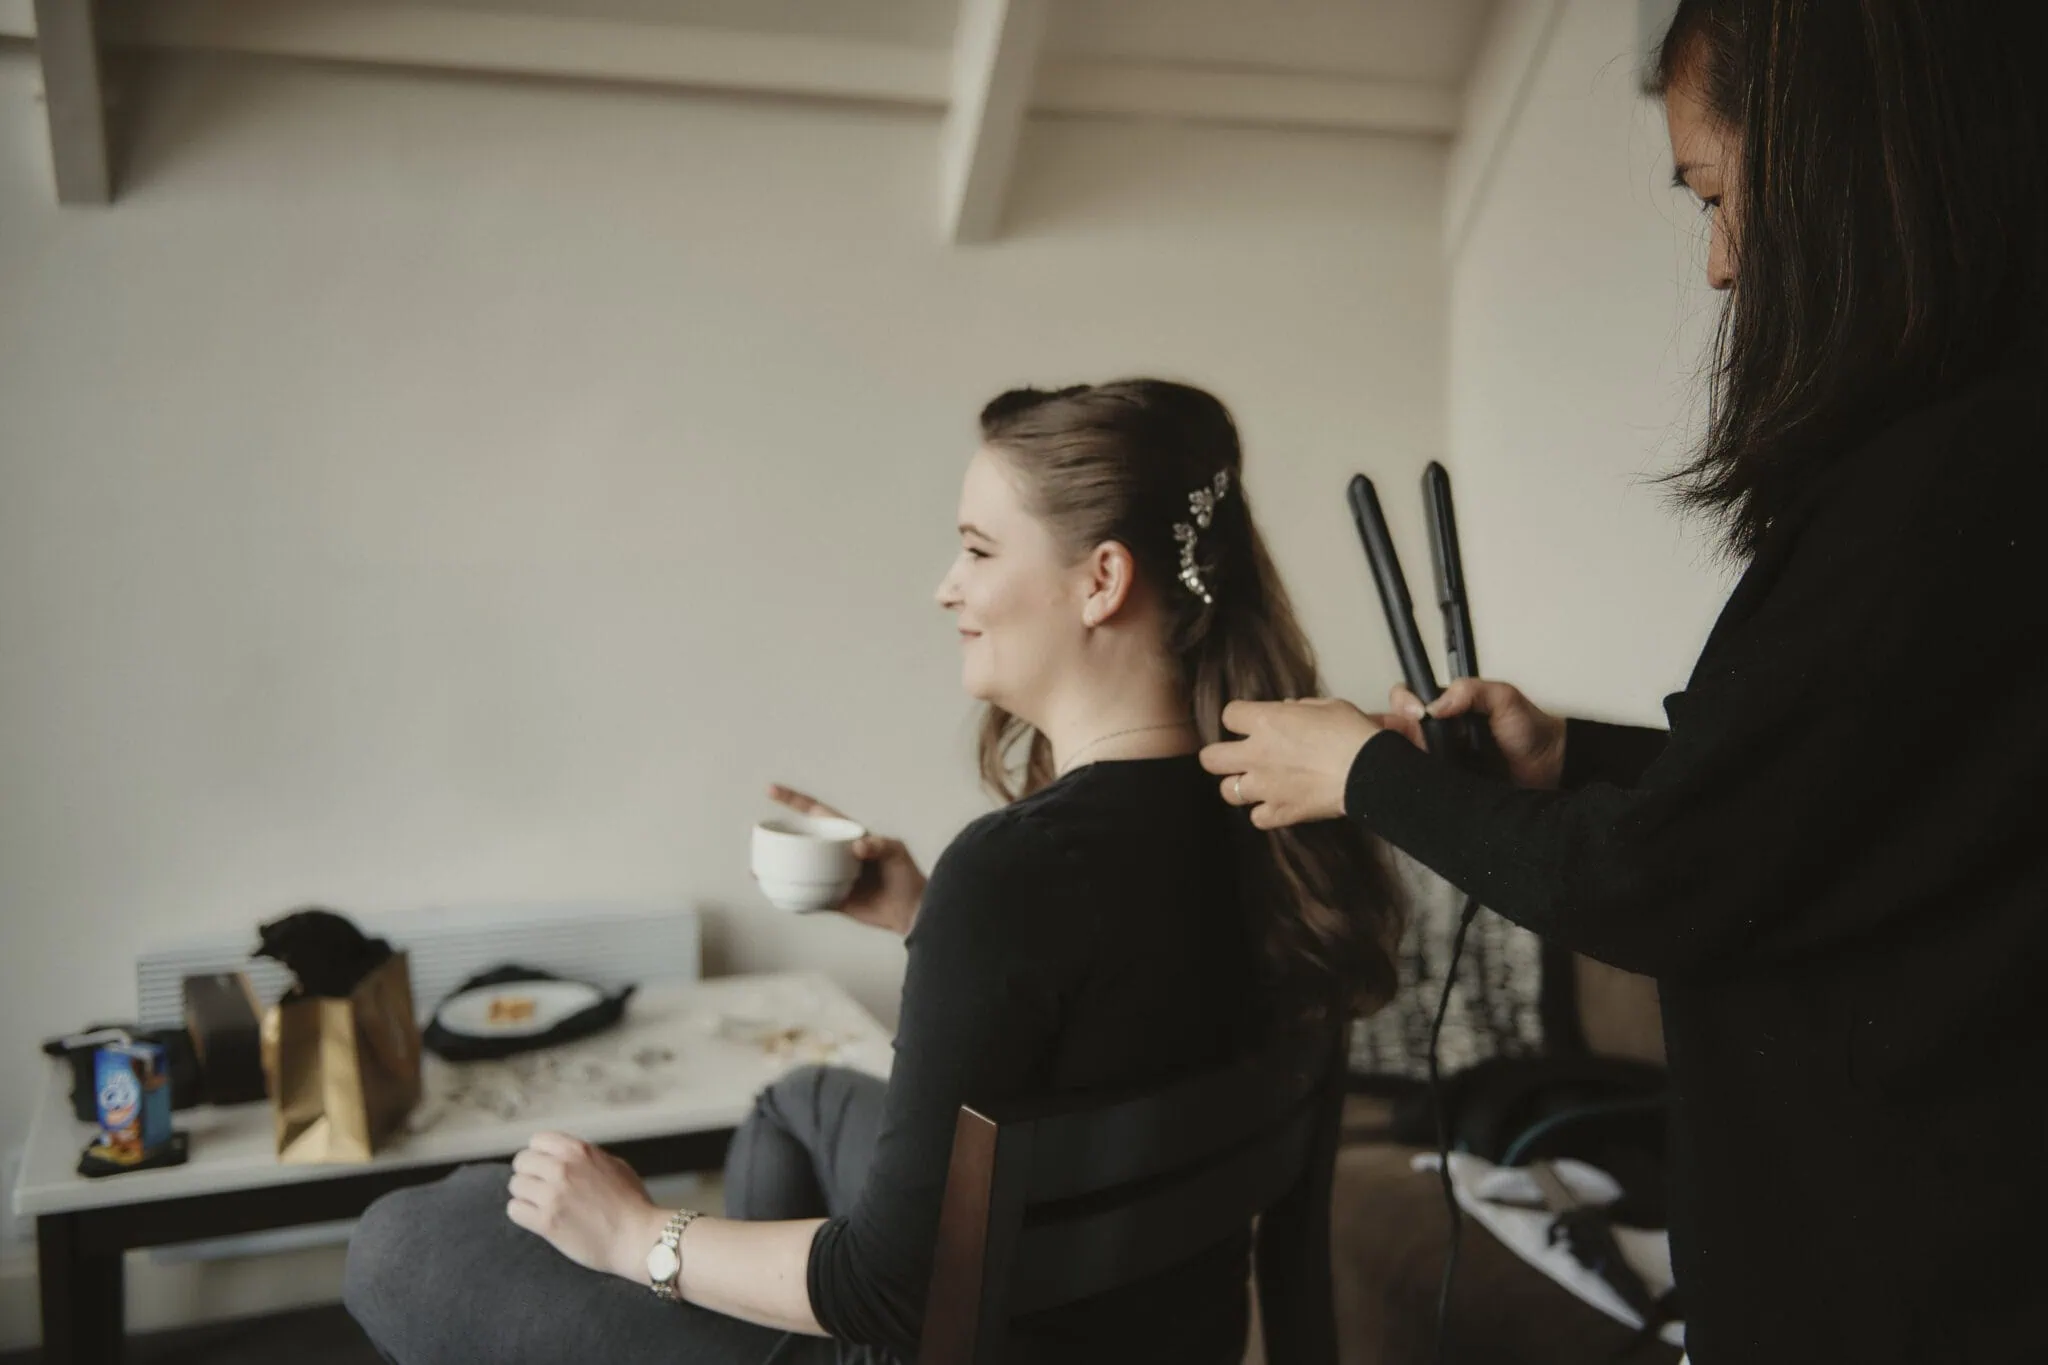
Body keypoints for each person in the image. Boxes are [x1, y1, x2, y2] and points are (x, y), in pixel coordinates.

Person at [1200, 2, 2048, 1361]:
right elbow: (1838, 804)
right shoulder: (1979, 464)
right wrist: (1572, 757)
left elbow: (1667, 881)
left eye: (1716, 197)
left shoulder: (1932, 495)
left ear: (1847, 177)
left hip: (1905, 1272)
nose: (1718, 267)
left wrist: (1360, 772)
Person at [343, 380, 1401, 1365]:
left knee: (407, 1236)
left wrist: (638, 1236)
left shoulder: (1020, 869)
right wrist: (926, 920)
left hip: (948, 1337)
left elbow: (887, 1287)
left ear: (1101, 581)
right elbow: (1137, 1008)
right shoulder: (1295, 814)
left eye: (978, 551)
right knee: (796, 1103)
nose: (947, 588)